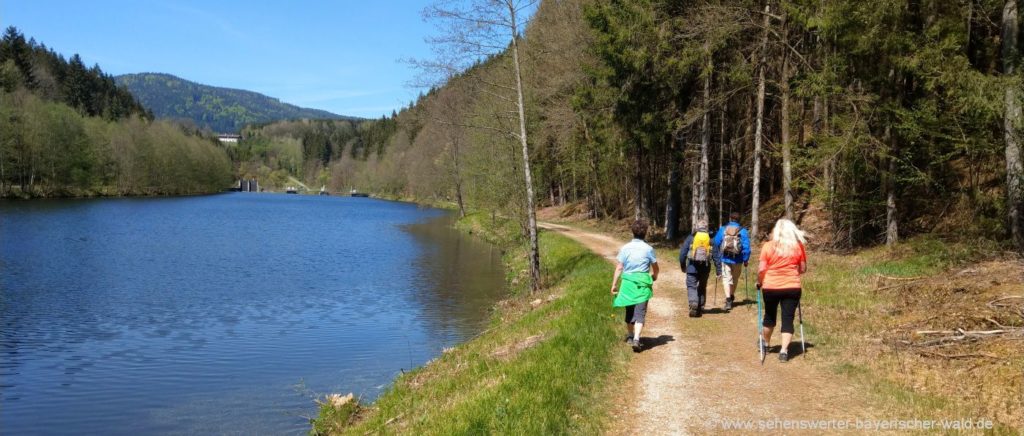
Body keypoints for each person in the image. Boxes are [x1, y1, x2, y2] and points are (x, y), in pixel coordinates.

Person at [756, 219, 807, 362]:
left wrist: (759, 282)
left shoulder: (768, 246)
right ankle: (784, 351)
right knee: (788, 319)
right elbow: (803, 269)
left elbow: (761, 269)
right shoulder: (798, 247)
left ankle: (765, 344)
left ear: (776, 231)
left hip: (771, 286)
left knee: (769, 316)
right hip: (792, 286)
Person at [611, 220, 659, 352]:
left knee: (629, 310)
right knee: (640, 312)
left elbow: (619, 267)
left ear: (632, 232)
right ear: (645, 233)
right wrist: (654, 276)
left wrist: (614, 285)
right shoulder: (649, 249)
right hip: (643, 283)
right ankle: (637, 338)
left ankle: (631, 336)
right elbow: (655, 267)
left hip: (628, 284)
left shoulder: (625, 248)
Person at [712, 212, 752, 311]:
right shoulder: (743, 231)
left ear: (730, 218)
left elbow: (716, 242)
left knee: (726, 278)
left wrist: (717, 255)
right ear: (739, 219)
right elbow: (746, 248)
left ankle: (728, 299)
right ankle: (732, 295)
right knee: (735, 278)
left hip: (725, 258)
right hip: (738, 259)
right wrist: (745, 259)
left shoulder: (723, 229)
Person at [679, 219, 714, 318]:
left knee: (691, 286)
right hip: (705, 268)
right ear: (706, 228)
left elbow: (683, 253)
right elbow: (716, 255)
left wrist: (682, 265)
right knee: (702, 287)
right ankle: (701, 306)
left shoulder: (691, 238)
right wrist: (719, 270)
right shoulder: (710, 239)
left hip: (691, 267)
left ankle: (693, 303)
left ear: (697, 228)